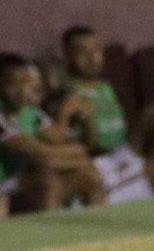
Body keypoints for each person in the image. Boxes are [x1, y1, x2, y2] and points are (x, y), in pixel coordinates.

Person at [54, 25, 154, 199]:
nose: (92, 58)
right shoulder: (65, 96)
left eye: (97, 50)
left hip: (121, 153)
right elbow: (72, 144)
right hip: (95, 161)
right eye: (83, 52)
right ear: (68, 57)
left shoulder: (105, 87)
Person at [0, 53, 106, 212]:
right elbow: (43, 157)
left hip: (15, 182)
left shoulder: (31, 112)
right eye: (13, 83)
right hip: (4, 184)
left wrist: (65, 117)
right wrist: (77, 157)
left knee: (89, 175)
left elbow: (68, 143)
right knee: (49, 182)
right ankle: (48, 235)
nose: (22, 89)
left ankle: (101, 233)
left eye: (25, 81)